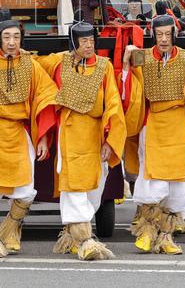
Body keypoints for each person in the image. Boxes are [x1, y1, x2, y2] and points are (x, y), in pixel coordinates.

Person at [122, 15, 185, 255]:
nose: (164, 39)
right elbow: (129, 85)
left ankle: (166, 236)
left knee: (178, 185)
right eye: (159, 34)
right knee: (152, 181)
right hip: (152, 124)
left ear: (174, 34)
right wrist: (126, 65)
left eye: (168, 34)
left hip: (180, 124)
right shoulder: (142, 56)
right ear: (153, 34)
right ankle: (147, 230)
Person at [34, 21, 125, 261]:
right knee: (73, 183)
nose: (88, 46)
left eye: (91, 41)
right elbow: (33, 71)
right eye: (83, 42)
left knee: (94, 186)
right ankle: (85, 239)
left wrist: (110, 139)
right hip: (70, 130)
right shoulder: (58, 62)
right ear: (73, 43)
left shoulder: (103, 67)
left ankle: (73, 233)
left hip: (95, 132)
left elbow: (113, 103)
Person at [0, 19, 58, 258]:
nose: (11, 42)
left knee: (25, 189)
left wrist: (42, 137)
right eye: (7, 37)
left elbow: (47, 94)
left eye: (16, 37)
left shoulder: (31, 63)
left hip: (19, 132)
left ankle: (9, 232)